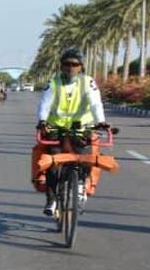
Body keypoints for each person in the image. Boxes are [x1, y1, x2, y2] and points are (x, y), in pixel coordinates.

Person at [33, 47, 108, 215]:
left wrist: (101, 121)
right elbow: (44, 104)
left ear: (81, 67)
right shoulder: (53, 83)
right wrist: (43, 121)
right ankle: (51, 200)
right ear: (61, 66)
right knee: (53, 162)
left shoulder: (88, 82)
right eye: (67, 64)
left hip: (81, 127)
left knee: (86, 157)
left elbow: (96, 103)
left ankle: (81, 185)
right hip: (56, 127)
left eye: (74, 64)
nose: (70, 67)